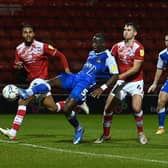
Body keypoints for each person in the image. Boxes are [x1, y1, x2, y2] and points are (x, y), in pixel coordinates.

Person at [14, 33, 119, 144]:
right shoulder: (91, 53)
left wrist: (102, 88)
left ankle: (79, 128)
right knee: (52, 82)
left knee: (67, 108)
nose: (93, 44)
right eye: (92, 42)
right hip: (77, 77)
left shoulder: (108, 57)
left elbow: (115, 75)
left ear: (103, 43)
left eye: (96, 42)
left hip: (85, 84)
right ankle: (27, 92)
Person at [0, 24, 88, 140]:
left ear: (34, 34)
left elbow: (60, 55)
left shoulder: (42, 46)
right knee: (53, 108)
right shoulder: (19, 49)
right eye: (25, 32)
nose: (28, 34)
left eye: (30, 32)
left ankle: (13, 131)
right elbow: (17, 65)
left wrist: (67, 70)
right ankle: (76, 102)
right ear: (22, 34)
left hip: (41, 80)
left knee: (22, 101)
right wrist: (18, 66)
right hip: (33, 82)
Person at [92, 22, 148, 145]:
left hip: (135, 81)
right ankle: (106, 135)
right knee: (108, 108)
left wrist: (118, 76)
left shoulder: (139, 48)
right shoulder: (117, 46)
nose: (126, 31)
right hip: (120, 82)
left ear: (135, 33)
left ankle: (140, 133)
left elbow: (135, 69)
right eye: (124, 29)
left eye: (129, 30)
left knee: (136, 108)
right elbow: (109, 61)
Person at [147, 34, 168, 135]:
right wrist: (155, 83)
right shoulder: (162, 54)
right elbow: (159, 69)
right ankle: (161, 127)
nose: (167, 42)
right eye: (166, 40)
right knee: (161, 100)